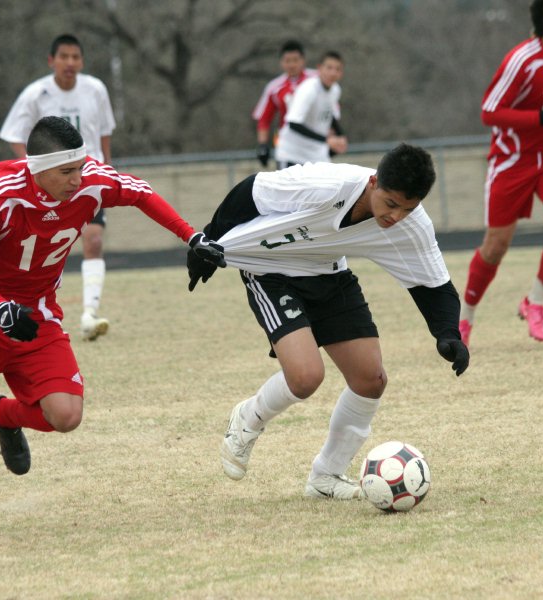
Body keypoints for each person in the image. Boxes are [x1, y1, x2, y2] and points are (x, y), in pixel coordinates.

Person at [0, 117, 224, 553]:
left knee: (66, 415)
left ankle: (4, 415)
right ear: (37, 168)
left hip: (37, 316)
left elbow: (141, 193)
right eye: (67, 172)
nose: (78, 180)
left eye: (80, 168)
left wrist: (191, 236)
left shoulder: (88, 182)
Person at [187, 143, 469, 500]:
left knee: (371, 380)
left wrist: (448, 334)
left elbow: (434, 284)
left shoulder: (410, 224)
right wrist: (207, 243)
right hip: (272, 270)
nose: (396, 216)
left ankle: (326, 477)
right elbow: (251, 192)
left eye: (407, 208)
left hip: (329, 272)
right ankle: (248, 417)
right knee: (306, 378)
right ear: (373, 182)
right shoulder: (324, 184)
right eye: (391, 203)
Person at [459, 0, 543, 345]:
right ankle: (464, 318)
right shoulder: (523, 59)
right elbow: (489, 112)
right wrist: (541, 117)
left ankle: (534, 302)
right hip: (513, 159)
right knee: (495, 246)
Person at [0, 34, 118, 341]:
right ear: (51, 60)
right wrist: (35, 170)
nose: (70, 62)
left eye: (75, 57)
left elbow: (104, 134)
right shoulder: (35, 94)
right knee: (44, 248)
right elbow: (13, 134)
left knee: (93, 241)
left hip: (88, 180)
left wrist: (108, 168)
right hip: (49, 186)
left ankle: (90, 313)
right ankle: (28, 310)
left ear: (82, 61)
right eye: (63, 56)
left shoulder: (95, 90)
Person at [273, 51, 348, 169]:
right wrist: (327, 140)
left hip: (317, 155)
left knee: (326, 186)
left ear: (341, 73)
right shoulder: (309, 89)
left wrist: (341, 135)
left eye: (338, 69)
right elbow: (293, 123)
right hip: (292, 155)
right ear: (319, 68)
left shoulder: (335, 90)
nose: (333, 73)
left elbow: (329, 114)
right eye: (329, 68)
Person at [252, 40, 318, 168]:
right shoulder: (274, 87)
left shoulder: (316, 80)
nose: (292, 64)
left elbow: (329, 110)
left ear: (303, 60)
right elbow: (264, 120)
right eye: (287, 60)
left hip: (314, 143)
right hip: (287, 145)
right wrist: (263, 145)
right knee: (288, 185)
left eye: (295, 60)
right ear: (281, 62)